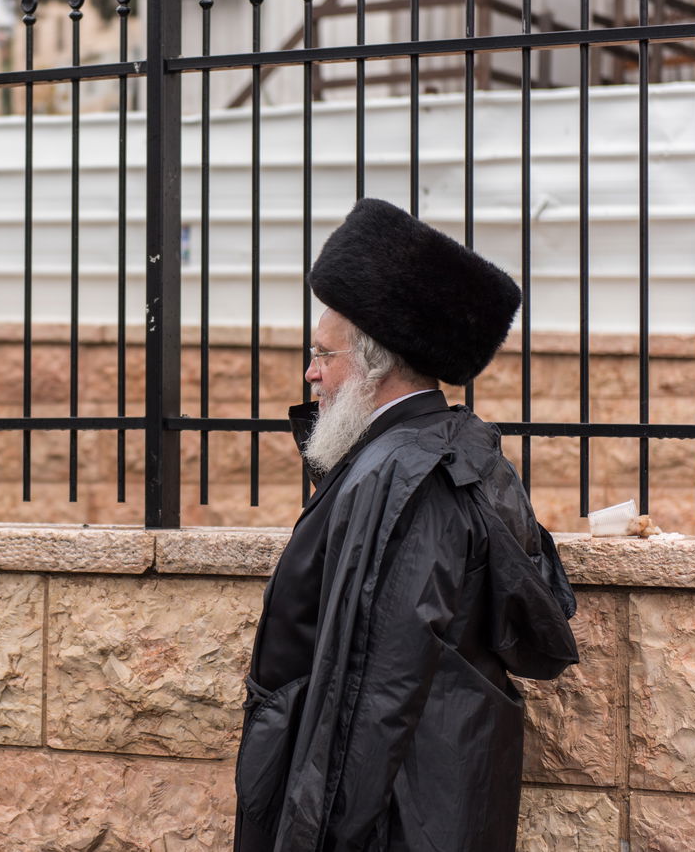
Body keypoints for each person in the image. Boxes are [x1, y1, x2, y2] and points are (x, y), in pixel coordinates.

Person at [234, 198, 579, 852]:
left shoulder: (402, 481)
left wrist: (314, 838)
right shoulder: (431, 454)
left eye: (322, 355)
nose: (310, 373)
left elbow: (369, 698)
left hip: (390, 827)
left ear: (376, 365)